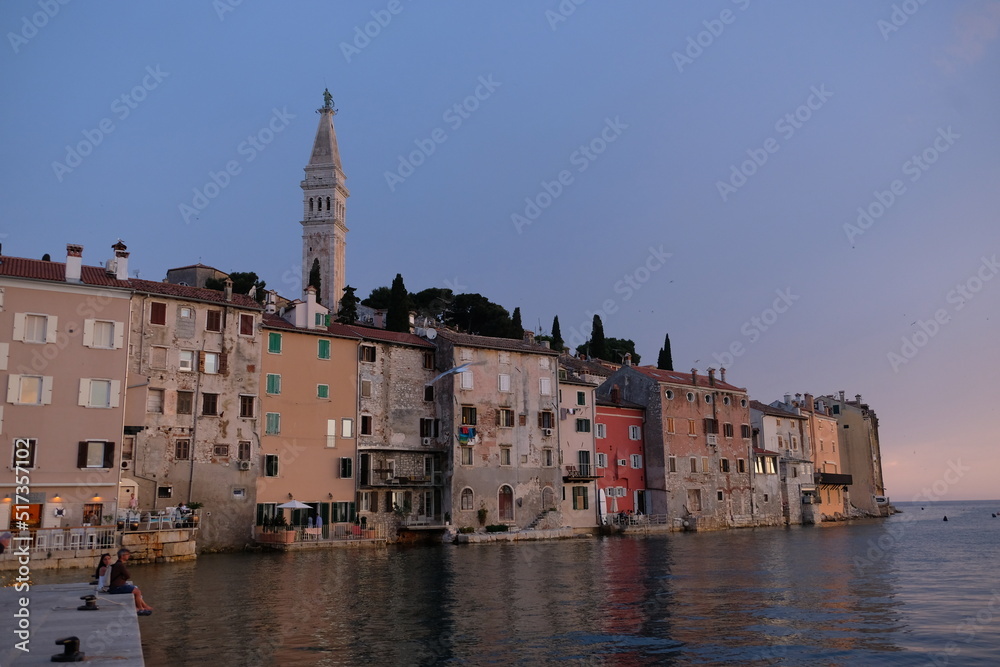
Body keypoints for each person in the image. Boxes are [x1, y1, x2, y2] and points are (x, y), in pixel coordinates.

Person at [108, 548, 153, 615]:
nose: (129, 556)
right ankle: (140, 609)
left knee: (135, 589)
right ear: (122, 556)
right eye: (127, 554)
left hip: (116, 586)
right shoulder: (120, 565)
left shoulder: (118, 564)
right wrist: (124, 577)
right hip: (117, 588)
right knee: (137, 592)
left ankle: (142, 607)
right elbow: (128, 575)